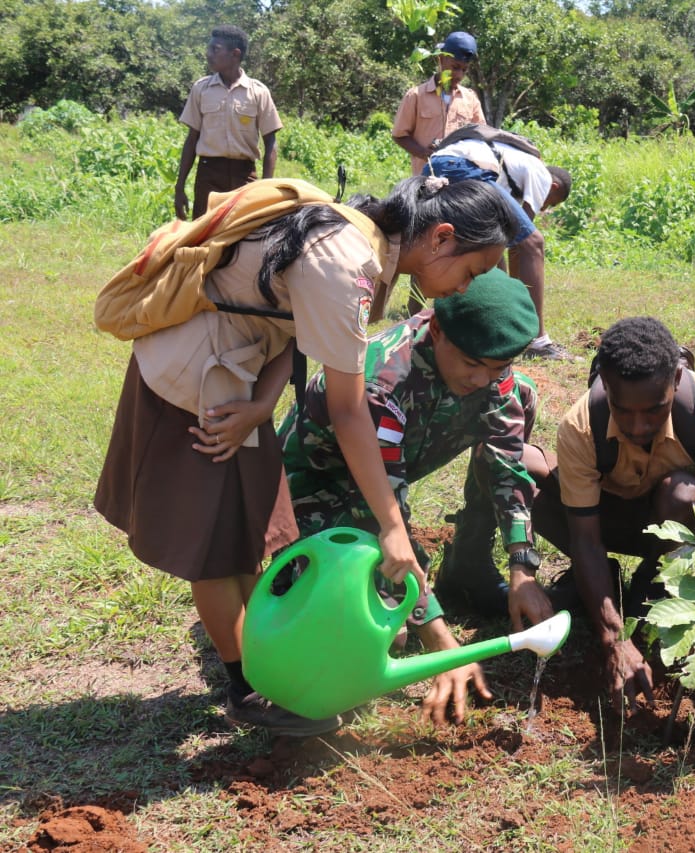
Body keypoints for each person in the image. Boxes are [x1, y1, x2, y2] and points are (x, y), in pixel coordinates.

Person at [95, 175, 519, 737]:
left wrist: (263, 401)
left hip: (235, 378)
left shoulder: (370, 250)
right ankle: (250, 686)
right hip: (193, 379)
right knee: (217, 548)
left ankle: (269, 670)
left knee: (246, 536)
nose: (463, 289)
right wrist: (393, 528)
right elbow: (349, 413)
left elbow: (292, 323)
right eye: (471, 271)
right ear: (441, 237)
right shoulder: (348, 263)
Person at [278, 270, 560, 721]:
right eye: (472, 364)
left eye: (496, 366)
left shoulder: (490, 373)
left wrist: (522, 566)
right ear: (438, 329)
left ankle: (467, 564)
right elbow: (382, 511)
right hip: (315, 492)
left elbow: (508, 464)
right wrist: (444, 645)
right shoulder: (383, 386)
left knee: (518, 398)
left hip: (377, 491)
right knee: (374, 636)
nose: (482, 378)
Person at [532, 317, 695, 708]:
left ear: (677, 379)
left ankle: (652, 586)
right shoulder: (580, 426)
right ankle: (608, 588)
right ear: (604, 386)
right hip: (607, 523)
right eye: (623, 411)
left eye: (654, 410)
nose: (638, 426)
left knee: (682, 495)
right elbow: (585, 538)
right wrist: (615, 642)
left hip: (676, 530)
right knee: (530, 485)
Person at [427, 137, 573, 359]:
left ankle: (494, 315)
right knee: (534, 243)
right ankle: (537, 341)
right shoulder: (542, 175)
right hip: (461, 165)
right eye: (551, 203)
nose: (546, 208)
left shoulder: (508, 176)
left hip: (436, 164)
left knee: (485, 241)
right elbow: (523, 239)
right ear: (554, 187)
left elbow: (504, 240)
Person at [175, 25, 283, 220]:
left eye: (215, 49)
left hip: (244, 177)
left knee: (245, 236)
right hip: (209, 174)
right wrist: (179, 187)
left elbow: (270, 144)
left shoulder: (258, 92)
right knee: (204, 236)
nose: (208, 54)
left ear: (235, 54)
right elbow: (191, 140)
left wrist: (266, 188)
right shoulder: (201, 89)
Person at [391, 31, 487, 180]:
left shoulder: (470, 99)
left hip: (460, 182)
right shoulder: (416, 96)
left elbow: (480, 137)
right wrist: (425, 153)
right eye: (455, 67)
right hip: (426, 180)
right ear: (441, 59)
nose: (459, 75)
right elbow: (399, 135)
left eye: (464, 70)